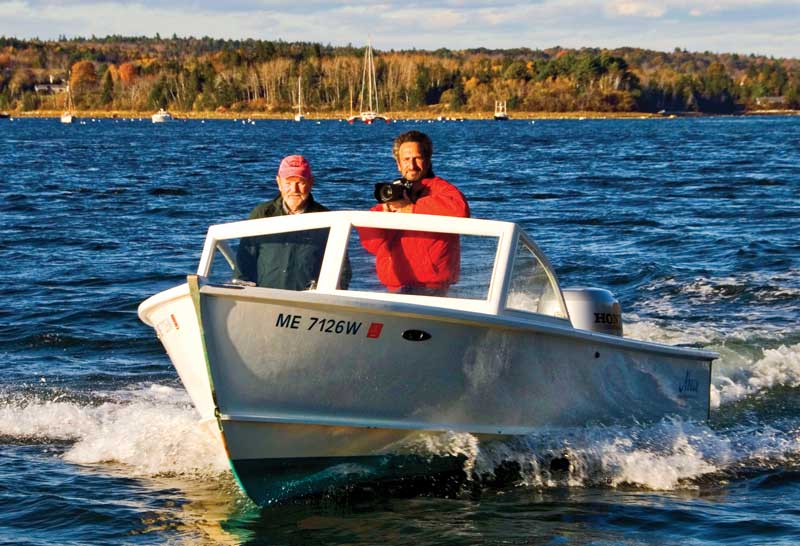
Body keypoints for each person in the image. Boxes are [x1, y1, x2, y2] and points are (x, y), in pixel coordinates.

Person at [359, 131, 470, 295]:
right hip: (394, 287)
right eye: (406, 160)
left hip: (431, 287)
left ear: (428, 160)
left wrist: (411, 208)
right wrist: (384, 213)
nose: (412, 165)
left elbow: (460, 210)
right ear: (398, 164)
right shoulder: (394, 195)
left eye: (417, 158)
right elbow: (373, 244)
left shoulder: (441, 190)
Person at [234, 154, 349, 290]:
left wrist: (331, 294)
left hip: (308, 300)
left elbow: (342, 269)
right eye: (288, 183)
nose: (294, 190)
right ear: (279, 183)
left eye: (300, 183)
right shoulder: (262, 214)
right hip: (265, 296)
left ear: (311, 182)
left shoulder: (327, 220)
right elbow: (244, 261)